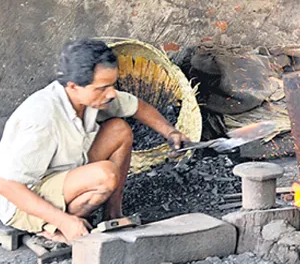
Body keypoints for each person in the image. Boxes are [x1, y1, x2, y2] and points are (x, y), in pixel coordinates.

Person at [0, 39, 191, 244]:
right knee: (105, 175)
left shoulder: (90, 98)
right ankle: (51, 226)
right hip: (22, 202)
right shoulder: (41, 117)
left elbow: (137, 107)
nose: (110, 93)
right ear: (73, 86)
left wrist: (171, 132)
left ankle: (113, 215)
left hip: (66, 175)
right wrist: (63, 221)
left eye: (111, 85)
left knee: (120, 130)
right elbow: (7, 185)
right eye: (102, 88)